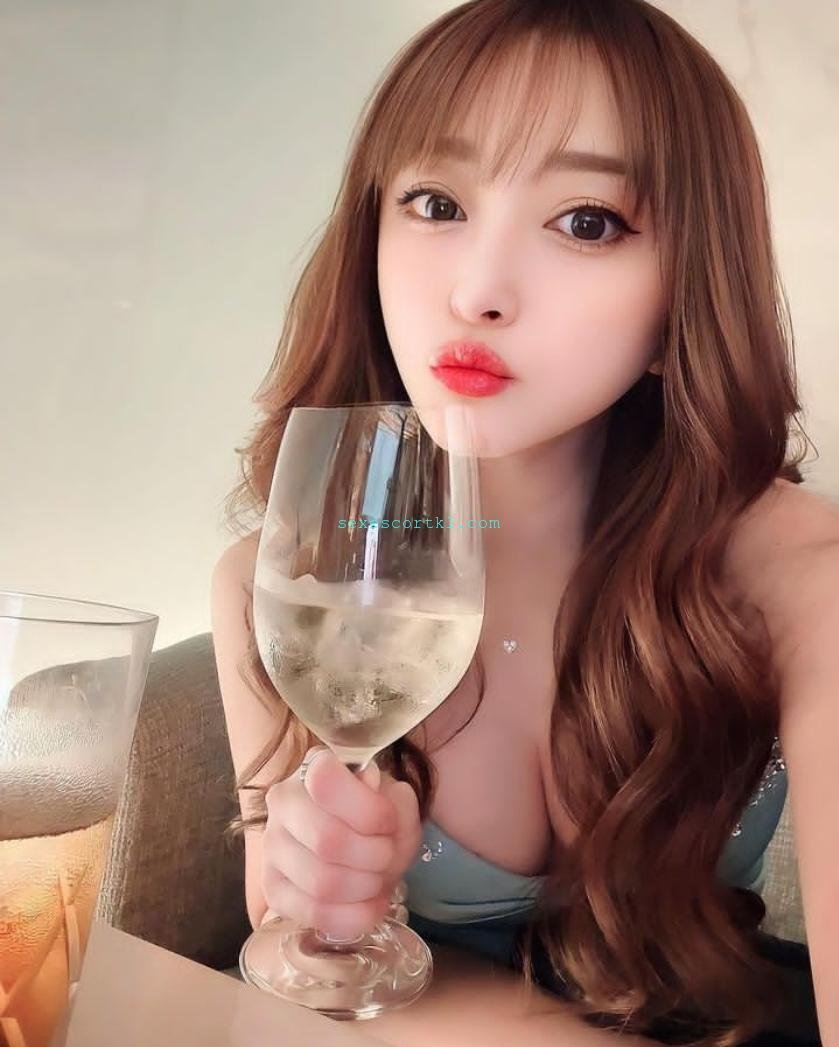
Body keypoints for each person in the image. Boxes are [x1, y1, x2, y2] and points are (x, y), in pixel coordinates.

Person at [210, 1, 839, 1043]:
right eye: (435, 202)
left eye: (585, 222)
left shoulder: (797, 576)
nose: (478, 292)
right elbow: (298, 957)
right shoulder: (291, 582)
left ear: (685, 292)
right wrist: (329, 911)